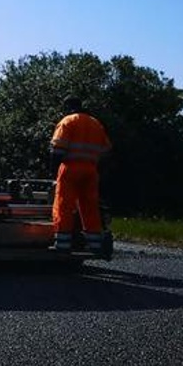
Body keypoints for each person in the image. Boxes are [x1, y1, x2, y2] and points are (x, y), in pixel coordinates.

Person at [49, 96, 112, 252]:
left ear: (68, 107)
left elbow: (57, 150)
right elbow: (106, 150)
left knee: (64, 205)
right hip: (91, 170)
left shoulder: (67, 121)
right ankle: (95, 244)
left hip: (70, 168)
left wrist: (53, 171)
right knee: (90, 206)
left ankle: (62, 244)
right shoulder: (95, 123)